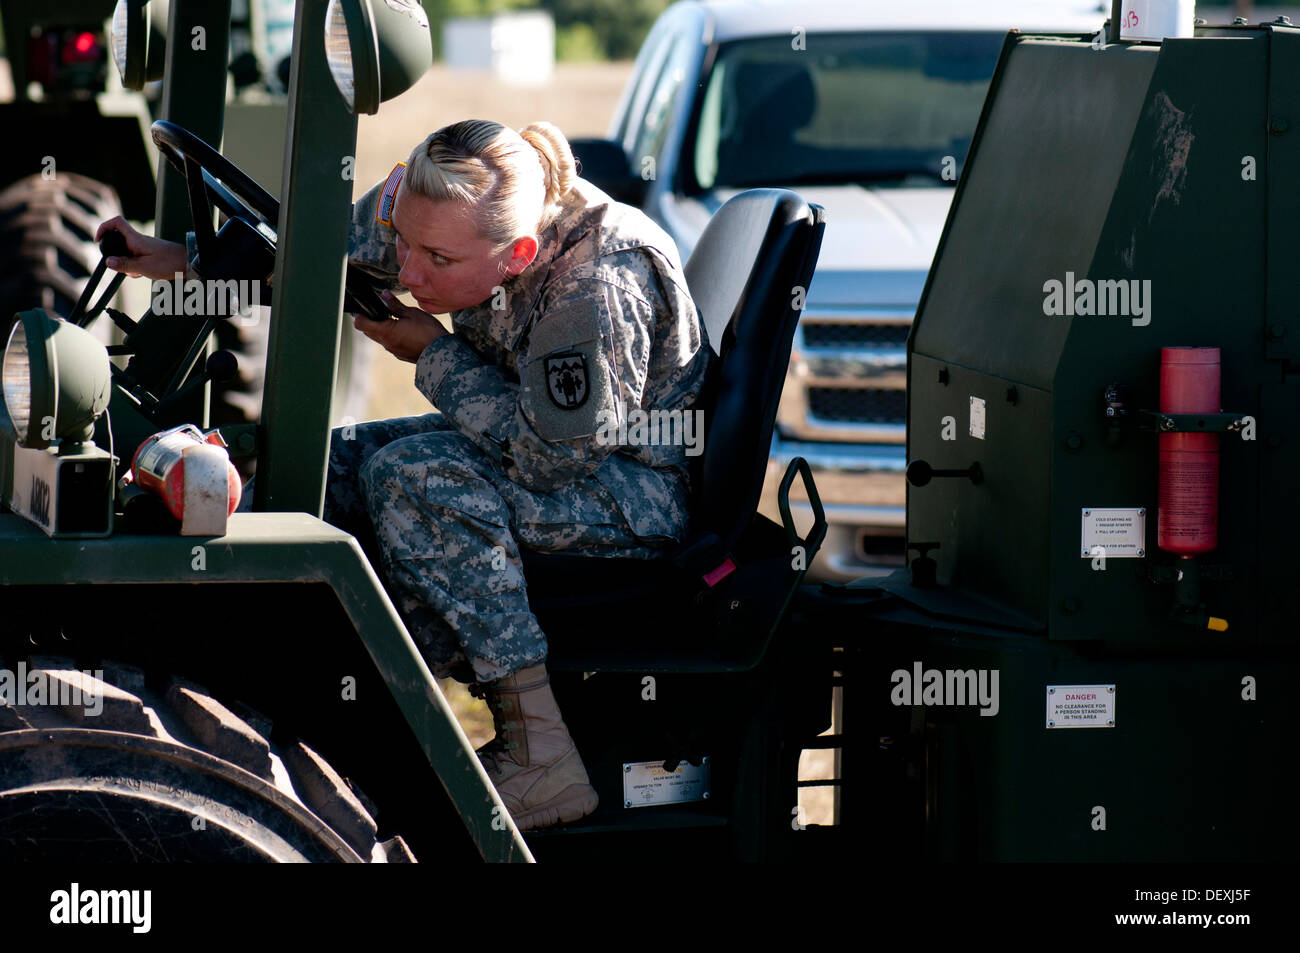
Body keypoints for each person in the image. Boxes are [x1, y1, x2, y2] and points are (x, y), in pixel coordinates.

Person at [97, 120, 713, 831]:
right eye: (406, 242)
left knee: (415, 479)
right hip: (539, 438)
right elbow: (325, 249)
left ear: (517, 254)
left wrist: (431, 354)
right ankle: (300, 704)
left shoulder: (597, 286)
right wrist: (180, 259)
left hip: (626, 487)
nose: (409, 273)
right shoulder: (445, 204)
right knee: (331, 465)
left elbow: (552, 458)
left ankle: (541, 749)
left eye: (438, 261)